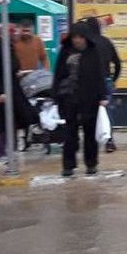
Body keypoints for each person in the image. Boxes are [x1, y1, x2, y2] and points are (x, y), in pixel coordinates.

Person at [52, 22, 109, 177]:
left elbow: (99, 76)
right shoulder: (65, 52)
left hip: (89, 99)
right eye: (75, 37)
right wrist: (55, 95)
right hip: (69, 98)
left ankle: (91, 163)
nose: (77, 40)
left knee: (90, 133)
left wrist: (103, 96)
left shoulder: (93, 52)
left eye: (80, 37)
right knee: (70, 133)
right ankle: (68, 166)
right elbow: (58, 74)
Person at [0, 26, 34, 162]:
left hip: (12, 90)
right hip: (0, 93)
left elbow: (11, 69)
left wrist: (18, 73)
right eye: (14, 33)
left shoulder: (10, 49)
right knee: (0, 122)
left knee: (12, 120)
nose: (17, 35)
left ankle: (10, 149)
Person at [83, 16, 121, 153]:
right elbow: (117, 63)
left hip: (88, 83)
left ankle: (91, 140)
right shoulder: (106, 42)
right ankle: (109, 140)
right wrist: (113, 79)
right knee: (107, 111)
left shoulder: (85, 43)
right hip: (105, 81)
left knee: (88, 111)